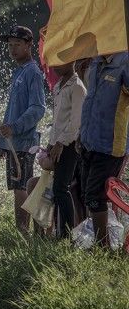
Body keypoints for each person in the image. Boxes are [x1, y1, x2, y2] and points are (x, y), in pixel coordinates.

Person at [0, 26, 47, 234]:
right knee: (18, 186)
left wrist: (14, 128)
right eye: (10, 45)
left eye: (17, 44)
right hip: (13, 142)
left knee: (21, 187)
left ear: (29, 45)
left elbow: (38, 108)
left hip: (24, 141)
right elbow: (11, 112)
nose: (13, 49)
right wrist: (2, 142)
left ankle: (22, 233)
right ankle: (23, 232)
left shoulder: (33, 72)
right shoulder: (19, 72)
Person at [77, 51, 129, 248]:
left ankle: (103, 246)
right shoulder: (96, 62)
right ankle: (103, 241)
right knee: (87, 195)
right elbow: (91, 103)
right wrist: (82, 135)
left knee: (95, 196)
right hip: (89, 141)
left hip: (110, 144)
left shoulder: (124, 62)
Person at [48, 61, 86, 238]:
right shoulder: (58, 86)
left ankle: (67, 234)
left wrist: (61, 142)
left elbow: (76, 122)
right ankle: (59, 230)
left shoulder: (77, 87)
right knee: (57, 189)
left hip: (69, 145)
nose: (55, 66)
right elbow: (57, 119)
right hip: (56, 144)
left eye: (60, 62)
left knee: (61, 188)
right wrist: (51, 142)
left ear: (72, 62)